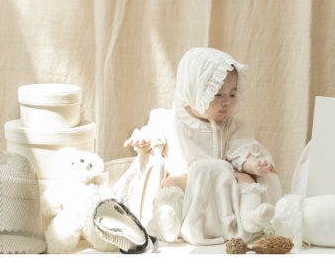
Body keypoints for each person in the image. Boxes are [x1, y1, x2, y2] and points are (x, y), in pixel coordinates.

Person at [121, 46, 282, 245]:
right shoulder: (169, 120)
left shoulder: (233, 126)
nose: (226, 102)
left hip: (222, 183)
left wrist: (254, 164)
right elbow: (153, 136)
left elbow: (241, 151)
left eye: (232, 95)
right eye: (217, 94)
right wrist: (143, 141)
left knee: (246, 178)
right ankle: (168, 217)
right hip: (188, 181)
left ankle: (250, 215)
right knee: (171, 182)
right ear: (193, 91)